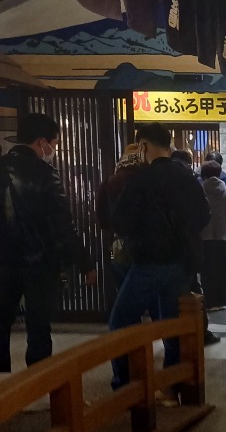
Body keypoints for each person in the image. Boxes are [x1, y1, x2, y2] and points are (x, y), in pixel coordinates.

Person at [108, 124, 210, 392]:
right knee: (171, 321)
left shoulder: (141, 180)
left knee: (120, 321)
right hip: (183, 263)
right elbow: (204, 214)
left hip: (150, 262)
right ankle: (173, 382)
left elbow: (121, 220)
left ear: (143, 147)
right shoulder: (187, 177)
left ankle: (126, 384)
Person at [0, 113, 96, 372]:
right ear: (41, 142)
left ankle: (4, 390)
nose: (53, 149)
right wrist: (86, 264)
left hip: (4, 263)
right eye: (53, 142)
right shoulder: (46, 174)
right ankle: (38, 383)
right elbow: (64, 224)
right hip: (40, 262)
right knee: (39, 325)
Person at [170, 149, 220, 346]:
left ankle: (173, 340)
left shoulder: (150, 176)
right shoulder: (188, 180)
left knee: (166, 297)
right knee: (192, 289)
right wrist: (192, 231)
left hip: (154, 252)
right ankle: (200, 332)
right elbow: (204, 211)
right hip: (186, 247)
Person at [96, 143, 144, 289]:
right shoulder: (147, 181)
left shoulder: (109, 182)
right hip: (147, 248)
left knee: (124, 296)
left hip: (118, 247)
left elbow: (102, 219)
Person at [199, 160, 226, 311]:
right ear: (219, 173)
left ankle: (210, 301)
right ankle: (221, 300)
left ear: (203, 174)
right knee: (222, 269)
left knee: (207, 270)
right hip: (224, 236)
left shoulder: (199, 192)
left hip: (204, 238)